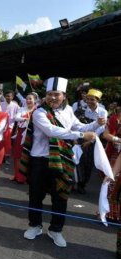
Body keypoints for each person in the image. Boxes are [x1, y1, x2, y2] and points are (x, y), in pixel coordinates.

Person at [21, 77, 105, 248]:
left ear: (63, 95)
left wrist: (96, 124)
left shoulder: (68, 112)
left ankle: (56, 230)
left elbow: (79, 126)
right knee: (36, 196)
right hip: (40, 161)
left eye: (56, 94)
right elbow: (53, 131)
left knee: (61, 197)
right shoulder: (39, 112)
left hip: (61, 159)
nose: (53, 98)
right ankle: (34, 226)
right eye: (50, 94)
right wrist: (81, 136)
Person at [74, 89, 107, 194]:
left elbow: (101, 128)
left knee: (88, 163)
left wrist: (91, 140)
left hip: (93, 140)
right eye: (87, 99)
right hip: (80, 136)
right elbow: (75, 125)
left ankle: (82, 184)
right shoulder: (81, 109)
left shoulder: (102, 111)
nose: (89, 101)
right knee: (77, 161)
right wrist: (74, 139)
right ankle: (75, 182)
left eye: (92, 99)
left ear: (98, 100)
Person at [10, 93, 38, 184]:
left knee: (28, 156)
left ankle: (26, 176)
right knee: (17, 155)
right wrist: (26, 118)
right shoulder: (22, 109)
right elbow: (16, 118)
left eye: (30, 99)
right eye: (27, 99)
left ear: (35, 100)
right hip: (21, 133)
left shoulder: (37, 111)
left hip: (31, 135)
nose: (28, 100)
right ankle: (18, 175)